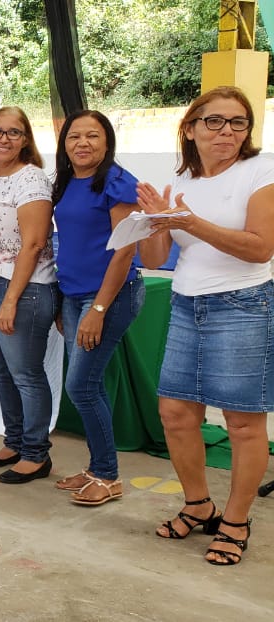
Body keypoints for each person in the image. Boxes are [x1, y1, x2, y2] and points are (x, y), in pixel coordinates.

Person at [136, 86, 274, 566]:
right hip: (185, 303)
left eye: (238, 123)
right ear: (191, 128)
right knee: (175, 414)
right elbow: (156, 258)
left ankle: (236, 520)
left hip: (244, 303)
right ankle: (199, 504)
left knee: (242, 422)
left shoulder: (261, 170)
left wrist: (188, 223)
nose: (227, 132)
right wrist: (153, 226)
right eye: (214, 121)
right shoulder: (181, 182)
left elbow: (260, 247)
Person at [50, 110, 144, 505]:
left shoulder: (119, 183)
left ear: (107, 142)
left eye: (93, 136)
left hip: (110, 295)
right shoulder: (67, 181)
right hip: (73, 294)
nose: (82, 143)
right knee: (89, 385)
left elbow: (126, 250)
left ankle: (108, 475)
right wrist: (64, 301)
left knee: (81, 386)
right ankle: (97, 467)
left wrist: (99, 308)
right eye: (75, 137)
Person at [0, 107, 59, 484]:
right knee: (3, 371)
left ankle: (37, 454)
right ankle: (15, 441)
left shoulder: (32, 179)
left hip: (25, 288)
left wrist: (10, 299)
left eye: (14, 133)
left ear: (26, 140)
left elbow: (34, 243)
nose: (3, 139)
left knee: (26, 373)